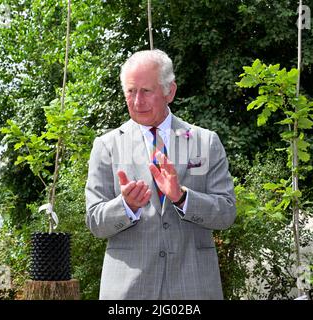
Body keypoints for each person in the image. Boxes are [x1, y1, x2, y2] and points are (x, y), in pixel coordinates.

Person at [85, 49, 236, 300]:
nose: (137, 101)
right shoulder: (106, 146)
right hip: (128, 292)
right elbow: (95, 221)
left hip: (194, 288)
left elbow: (226, 212)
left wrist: (182, 197)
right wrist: (126, 206)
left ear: (170, 91)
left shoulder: (204, 142)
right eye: (131, 91)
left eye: (146, 91)